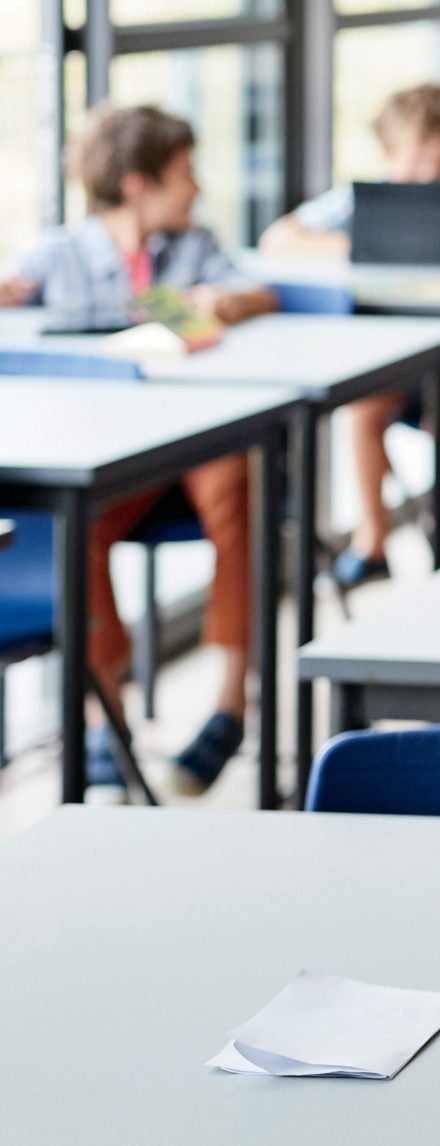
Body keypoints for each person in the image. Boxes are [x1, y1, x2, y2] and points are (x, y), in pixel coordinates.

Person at [1, 104, 277, 796]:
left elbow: (257, 290)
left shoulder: (196, 248)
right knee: (76, 522)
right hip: (113, 454)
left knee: (237, 480)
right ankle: (106, 715)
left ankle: (230, 705)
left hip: (195, 446)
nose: (196, 189)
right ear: (136, 184)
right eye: (184, 174)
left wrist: (226, 302)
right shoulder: (58, 256)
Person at [260, 83, 440, 583]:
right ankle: (373, 543)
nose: (430, 179)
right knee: (364, 407)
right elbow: (280, 238)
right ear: (388, 155)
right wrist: (369, 246)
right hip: (404, 357)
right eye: (417, 164)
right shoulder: (365, 203)